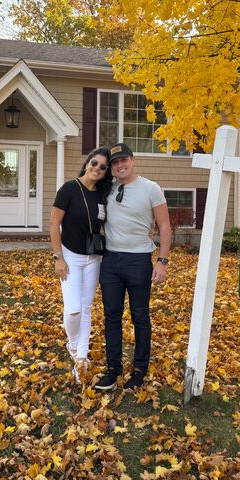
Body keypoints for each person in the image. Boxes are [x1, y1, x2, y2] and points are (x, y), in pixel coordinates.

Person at [94, 142, 172, 391]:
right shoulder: (106, 188)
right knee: (111, 317)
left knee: (140, 316)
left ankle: (139, 371)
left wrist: (162, 261)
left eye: (123, 160)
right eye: (115, 163)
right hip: (111, 261)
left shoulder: (151, 188)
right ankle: (113, 369)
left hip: (139, 260)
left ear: (132, 160)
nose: (120, 165)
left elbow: (165, 226)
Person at [50, 147, 113, 385]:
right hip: (71, 256)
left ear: (105, 172)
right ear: (87, 163)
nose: (97, 168)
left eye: (102, 167)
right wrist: (58, 257)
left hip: (93, 258)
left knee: (86, 309)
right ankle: (73, 344)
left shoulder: (102, 196)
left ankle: (81, 358)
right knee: (74, 309)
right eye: (94, 163)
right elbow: (54, 223)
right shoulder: (69, 188)